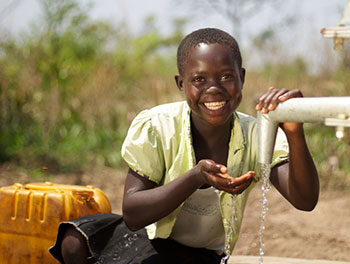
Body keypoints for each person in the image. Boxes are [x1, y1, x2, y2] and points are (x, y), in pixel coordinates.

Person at [49, 28, 319, 264]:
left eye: (226, 76)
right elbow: (132, 214)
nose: (213, 89)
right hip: (151, 237)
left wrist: (294, 131)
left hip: (200, 254)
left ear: (242, 78)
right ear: (181, 83)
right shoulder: (158, 126)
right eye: (199, 80)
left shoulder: (257, 134)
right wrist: (196, 177)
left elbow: (305, 200)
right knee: (75, 242)